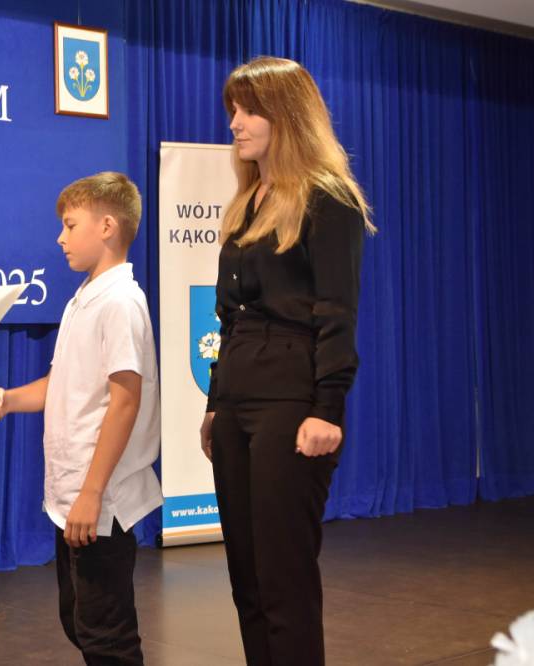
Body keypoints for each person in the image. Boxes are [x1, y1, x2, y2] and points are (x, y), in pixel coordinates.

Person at [198, 56, 375, 666]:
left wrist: (328, 408)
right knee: (246, 580)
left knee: (283, 580)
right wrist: (216, 404)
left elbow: (337, 312)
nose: (235, 124)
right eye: (233, 111)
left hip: (291, 402)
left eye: (249, 111)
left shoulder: (328, 198)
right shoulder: (247, 202)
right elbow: (229, 320)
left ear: (288, 116)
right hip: (238, 401)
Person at [1, 172, 161, 665]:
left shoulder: (120, 302)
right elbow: (62, 384)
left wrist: (92, 492)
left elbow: (125, 400)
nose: (60, 238)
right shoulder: (83, 299)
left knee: (106, 636)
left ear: (107, 226)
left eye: (70, 225)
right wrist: (2, 400)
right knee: (80, 621)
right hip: (72, 494)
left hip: (99, 497)